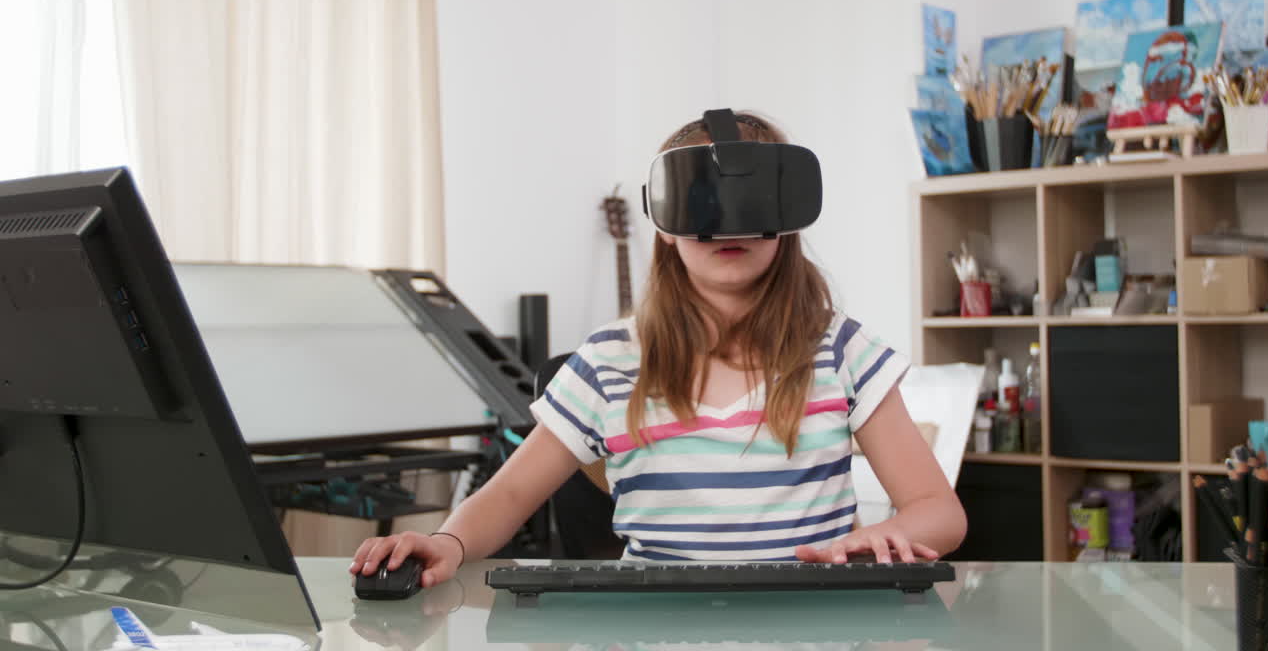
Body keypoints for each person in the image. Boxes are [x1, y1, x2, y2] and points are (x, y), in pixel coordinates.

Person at [350, 111, 967, 588]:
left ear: (787, 214)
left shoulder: (842, 352)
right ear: (664, 217)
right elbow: (510, 495)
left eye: (752, 201)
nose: (730, 226)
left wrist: (882, 536)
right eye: (705, 201)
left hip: (815, 616)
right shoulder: (609, 364)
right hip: (650, 622)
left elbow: (939, 509)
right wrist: (449, 544)